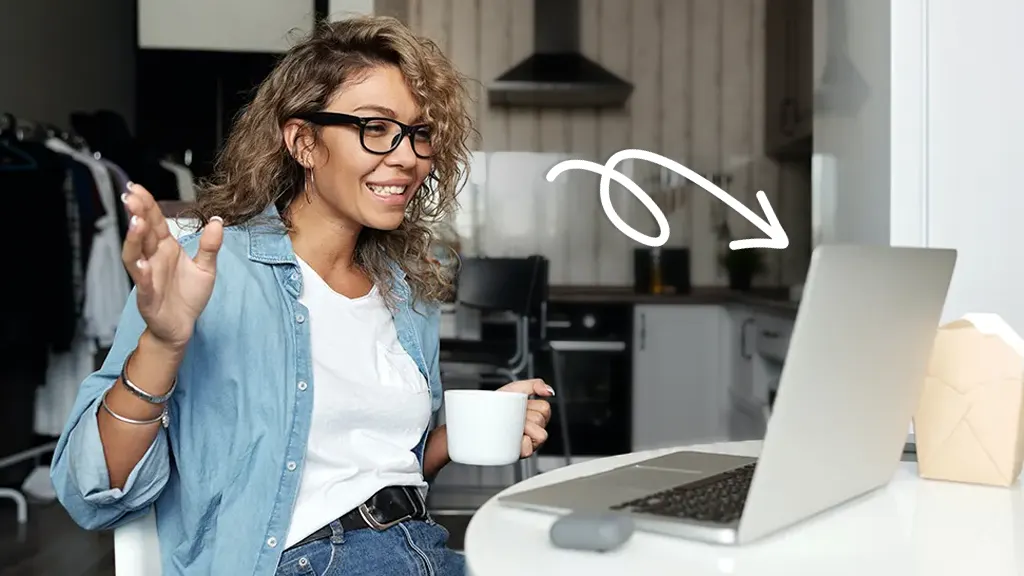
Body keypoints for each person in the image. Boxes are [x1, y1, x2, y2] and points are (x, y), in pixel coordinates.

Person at [49, 15, 554, 576]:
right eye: (376, 127)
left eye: (420, 132)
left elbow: (378, 472)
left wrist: (451, 438)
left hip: (418, 549)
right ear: (303, 142)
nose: (408, 156)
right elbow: (89, 490)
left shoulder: (408, 293)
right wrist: (163, 344)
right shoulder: (210, 269)